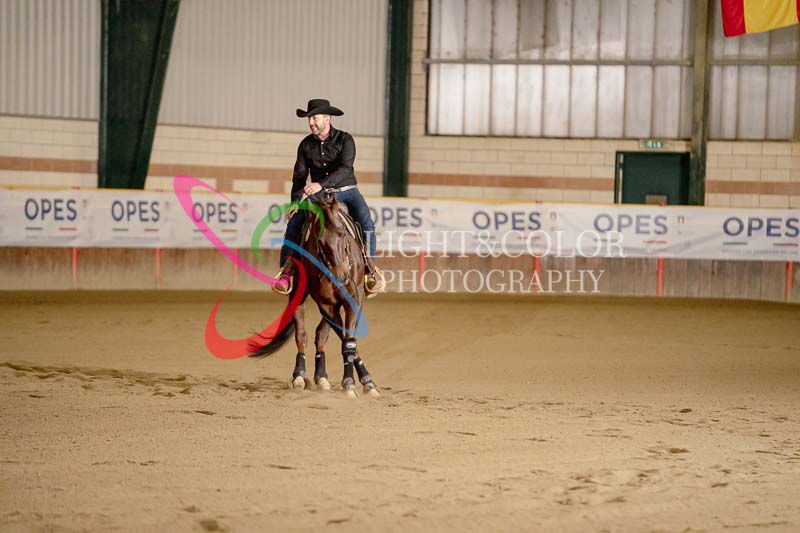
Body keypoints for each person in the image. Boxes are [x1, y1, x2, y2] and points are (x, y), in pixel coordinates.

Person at [272, 98, 385, 297]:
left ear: (327, 118)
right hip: (319, 196)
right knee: (294, 223)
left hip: (347, 191)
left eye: (314, 118)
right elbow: (299, 175)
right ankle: (286, 273)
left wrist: (320, 184)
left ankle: (369, 270)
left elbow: (346, 169)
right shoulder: (305, 145)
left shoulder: (345, 139)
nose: (311, 123)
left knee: (366, 223)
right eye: (309, 119)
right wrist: (295, 202)